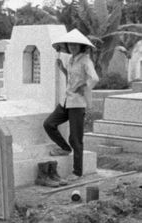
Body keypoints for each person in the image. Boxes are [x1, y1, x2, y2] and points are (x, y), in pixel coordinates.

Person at [43, 29, 99, 183]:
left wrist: (85, 86)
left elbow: (94, 78)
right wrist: (62, 69)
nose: (72, 47)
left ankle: (77, 172)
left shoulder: (86, 60)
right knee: (49, 123)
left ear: (81, 46)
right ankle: (65, 148)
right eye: (70, 44)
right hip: (66, 101)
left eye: (76, 45)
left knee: (76, 138)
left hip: (78, 104)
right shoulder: (71, 60)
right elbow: (72, 77)